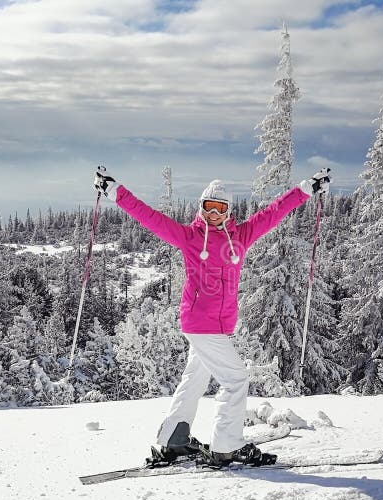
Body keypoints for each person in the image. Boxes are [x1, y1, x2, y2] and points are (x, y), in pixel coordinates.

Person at [93, 166, 331, 467]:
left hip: (220, 326)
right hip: (200, 323)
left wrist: (306, 189)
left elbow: (274, 212)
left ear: (228, 211)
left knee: (195, 378)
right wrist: (115, 192)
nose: (214, 213)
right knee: (236, 379)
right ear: (201, 207)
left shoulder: (241, 236)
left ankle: (174, 438)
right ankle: (226, 445)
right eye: (209, 206)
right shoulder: (190, 237)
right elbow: (149, 217)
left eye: (220, 208)